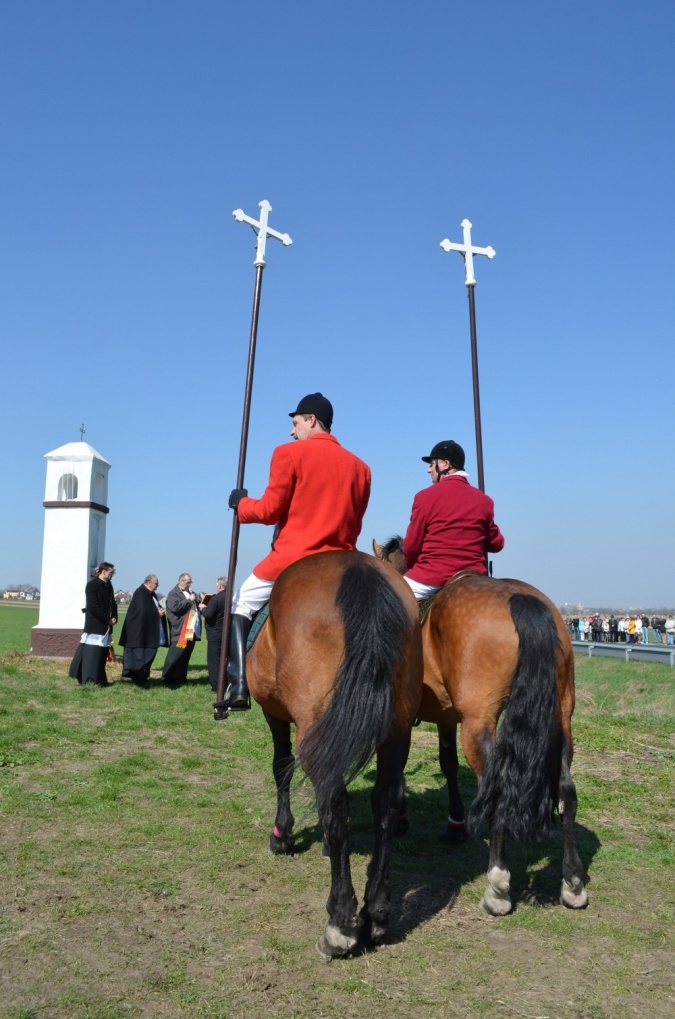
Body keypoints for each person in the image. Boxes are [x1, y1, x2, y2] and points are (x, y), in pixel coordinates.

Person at [226, 392, 371, 711]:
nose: (292, 431)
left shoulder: (288, 454)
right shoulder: (362, 468)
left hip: (293, 559)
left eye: (295, 423)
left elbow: (268, 511)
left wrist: (240, 504)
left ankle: (237, 684)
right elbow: (355, 523)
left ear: (311, 420)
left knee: (242, 601)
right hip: (342, 565)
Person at [401, 440, 504, 602]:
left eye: (431, 464)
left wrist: (414, 568)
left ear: (445, 464)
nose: (429, 470)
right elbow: (497, 544)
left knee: (385, 601)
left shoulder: (424, 497)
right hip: (475, 576)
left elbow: (411, 545)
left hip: (431, 577)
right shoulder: (484, 500)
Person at [69, 562, 118, 686]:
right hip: (95, 624)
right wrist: (107, 619)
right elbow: (93, 606)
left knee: (101, 654)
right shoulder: (92, 586)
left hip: (105, 626)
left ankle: (100, 679)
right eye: (111, 572)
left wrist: (114, 617)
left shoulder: (109, 585)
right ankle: (89, 680)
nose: (112, 575)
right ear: (103, 571)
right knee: (92, 654)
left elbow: (113, 603)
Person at [119, 574, 166, 685]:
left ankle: (143, 678)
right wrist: (157, 613)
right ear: (149, 582)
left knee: (149, 654)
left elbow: (151, 608)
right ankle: (139, 680)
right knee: (140, 657)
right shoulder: (140, 593)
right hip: (139, 634)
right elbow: (142, 611)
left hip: (149, 632)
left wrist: (159, 610)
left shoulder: (152, 594)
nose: (157, 586)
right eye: (156, 584)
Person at [161, 573, 201, 685]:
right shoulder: (173, 594)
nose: (189, 585)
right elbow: (176, 608)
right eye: (187, 582)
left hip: (191, 631)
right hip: (179, 630)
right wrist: (189, 600)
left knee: (184, 658)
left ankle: (181, 679)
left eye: (190, 582)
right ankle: (167, 678)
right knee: (174, 657)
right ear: (180, 582)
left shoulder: (189, 593)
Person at [199, 577, 227, 693]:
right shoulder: (232, 597)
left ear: (219, 586)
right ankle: (227, 683)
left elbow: (209, 615)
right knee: (225, 659)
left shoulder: (216, 599)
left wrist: (203, 608)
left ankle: (216, 687)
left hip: (215, 633)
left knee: (214, 661)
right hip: (227, 633)